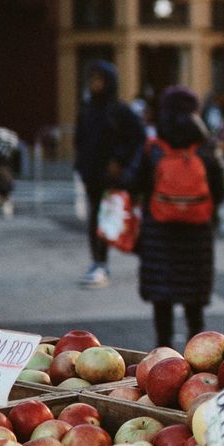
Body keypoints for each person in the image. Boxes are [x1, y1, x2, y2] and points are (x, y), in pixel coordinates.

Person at [124, 86, 224, 349]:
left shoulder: (154, 148)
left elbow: (132, 182)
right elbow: (220, 191)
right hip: (197, 236)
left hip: (159, 236)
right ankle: (199, 353)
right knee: (194, 304)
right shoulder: (205, 148)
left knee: (163, 300)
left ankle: (164, 353)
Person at [74, 61, 145, 288]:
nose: (94, 84)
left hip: (113, 178)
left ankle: (145, 260)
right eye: (92, 79)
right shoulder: (87, 109)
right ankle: (99, 263)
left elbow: (138, 138)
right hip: (92, 175)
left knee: (120, 220)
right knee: (97, 220)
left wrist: (120, 161)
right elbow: (80, 140)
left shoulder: (119, 110)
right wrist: (81, 165)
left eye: (99, 79)